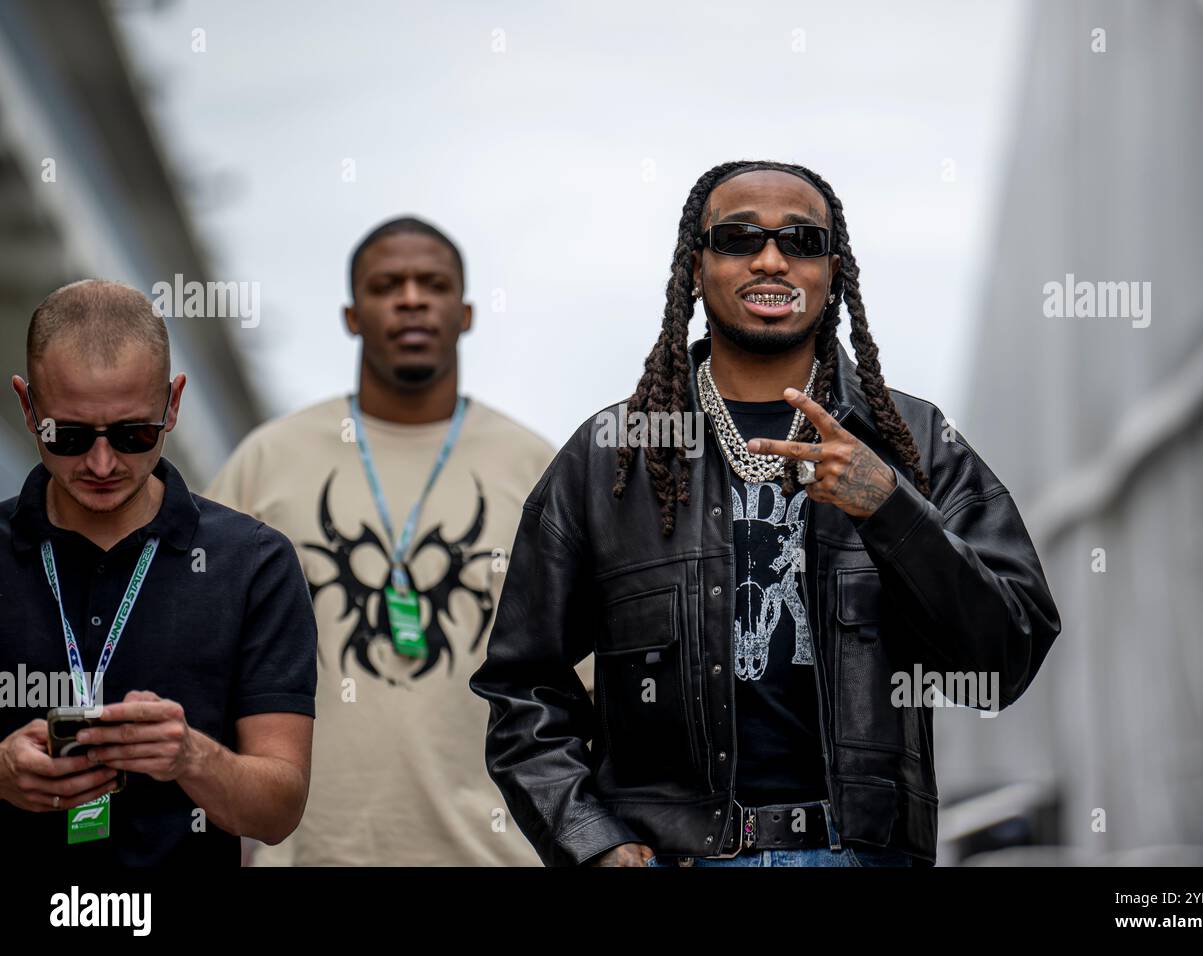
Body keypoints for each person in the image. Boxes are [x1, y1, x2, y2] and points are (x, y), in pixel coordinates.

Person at [470, 161, 1063, 867]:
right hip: (676, 857)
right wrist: (592, 840)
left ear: (832, 270)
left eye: (802, 241)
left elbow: (1005, 658)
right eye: (740, 238)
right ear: (696, 266)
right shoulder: (614, 456)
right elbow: (521, 684)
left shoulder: (913, 441)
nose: (772, 259)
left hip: (861, 853)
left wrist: (892, 510)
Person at [206, 216, 578, 865]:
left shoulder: (534, 469)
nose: (411, 299)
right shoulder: (269, 461)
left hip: (495, 855)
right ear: (352, 315)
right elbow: (196, 649)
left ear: (464, 314)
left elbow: (587, 685)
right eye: (387, 286)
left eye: (432, 284)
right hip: (305, 854)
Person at [0, 280, 317, 865]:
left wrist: (193, 757)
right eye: (68, 436)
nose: (101, 462)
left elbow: (278, 811)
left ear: (173, 404)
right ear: (27, 408)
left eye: (132, 433)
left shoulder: (253, 564)